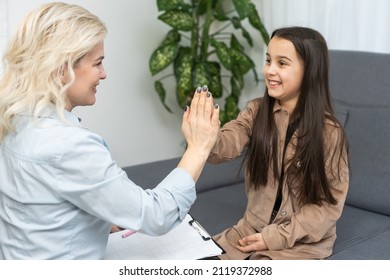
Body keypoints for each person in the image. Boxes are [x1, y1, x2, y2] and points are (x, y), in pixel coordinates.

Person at [0, 2, 220, 259]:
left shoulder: (13, 119)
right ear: (62, 69)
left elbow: (38, 208)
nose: (103, 74)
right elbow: (156, 215)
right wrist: (198, 147)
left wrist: (96, 218)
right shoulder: (69, 145)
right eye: (97, 63)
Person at [208, 26, 349, 260]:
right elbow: (225, 147)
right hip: (251, 229)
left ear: (310, 71)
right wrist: (207, 135)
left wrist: (272, 238)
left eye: (282, 63)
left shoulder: (330, 133)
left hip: (302, 242)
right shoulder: (256, 112)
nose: (270, 70)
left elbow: (327, 207)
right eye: (268, 60)